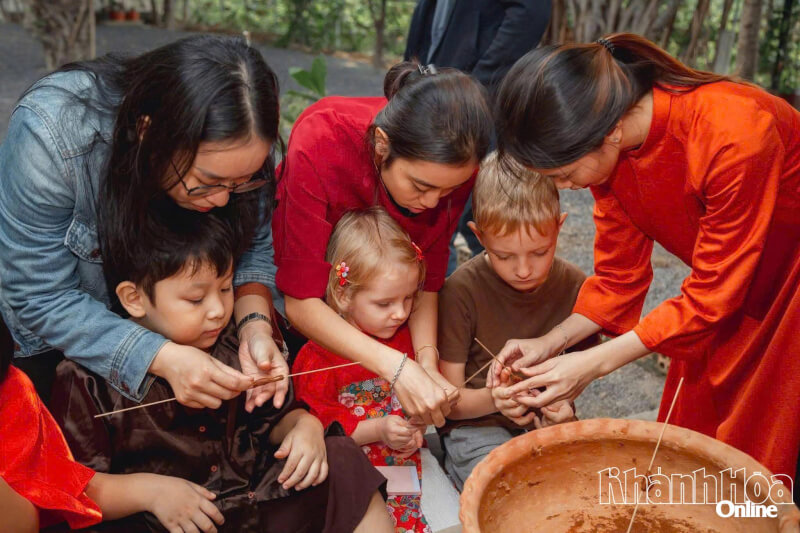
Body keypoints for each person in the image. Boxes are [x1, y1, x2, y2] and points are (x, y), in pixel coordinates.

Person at [491, 33, 800, 486]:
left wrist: (591, 366)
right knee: (695, 445)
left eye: (563, 174)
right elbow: (618, 279)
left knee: (762, 451)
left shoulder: (733, 132)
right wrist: (552, 343)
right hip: (730, 288)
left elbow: (711, 298)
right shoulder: (608, 154)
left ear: (610, 130)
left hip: (786, 290)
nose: (564, 188)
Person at [49, 209, 393, 532]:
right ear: (134, 298)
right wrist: (152, 493)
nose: (217, 310)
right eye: (196, 299)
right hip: (166, 522)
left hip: (252, 503)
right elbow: (74, 489)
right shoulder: (84, 378)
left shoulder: (234, 344)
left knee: (341, 459)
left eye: (226, 289)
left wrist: (304, 427)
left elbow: (272, 422)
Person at [0, 35, 287, 412]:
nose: (222, 200)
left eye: (240, 184)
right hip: (55, 350)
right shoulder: (54, 136)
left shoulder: (240, 154)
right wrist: (161, 356)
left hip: (187, 334)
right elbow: (39, 294)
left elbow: (253, 249)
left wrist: (254, 327)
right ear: (149, 131)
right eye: (207, 183)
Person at [272, 61, 492, 427]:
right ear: (380, 145)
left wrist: (425, 361)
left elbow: (429, 280)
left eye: (450, 190)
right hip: (307, 299)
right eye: (421, 186)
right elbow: (300, 300)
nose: (434, 203)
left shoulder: (454, 167)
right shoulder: (321, 141)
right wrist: (397, 367)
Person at [437, 152, 585, 490]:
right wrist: (496, 400)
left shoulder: (576, 285)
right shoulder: (460, 292)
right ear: (479, 234)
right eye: (504, 255)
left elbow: (581, 372)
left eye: (539, 252)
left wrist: (561, 410)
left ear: (559, 227)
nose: (523, 269)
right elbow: (450, 403)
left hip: (547, 424)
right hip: (477, 428)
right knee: (511, 492)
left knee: (579, 489)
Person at [293, 208, 432, 532]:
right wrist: (378, 430)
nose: (400, 313)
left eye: (409, 298)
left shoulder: (407, 339)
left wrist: (417, 429)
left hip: (405, 470)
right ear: (343, 294)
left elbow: (420, 403)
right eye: (384, 304)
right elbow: (323, 432)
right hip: (350, 479)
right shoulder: (318, 359)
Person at [404, 0, 553, 275]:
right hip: (435, 89)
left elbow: (532, 11)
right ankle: (440, 305)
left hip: (480, 99)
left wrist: (482, 78)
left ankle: (498, 308)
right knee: (435, 215)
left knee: (481, 213)